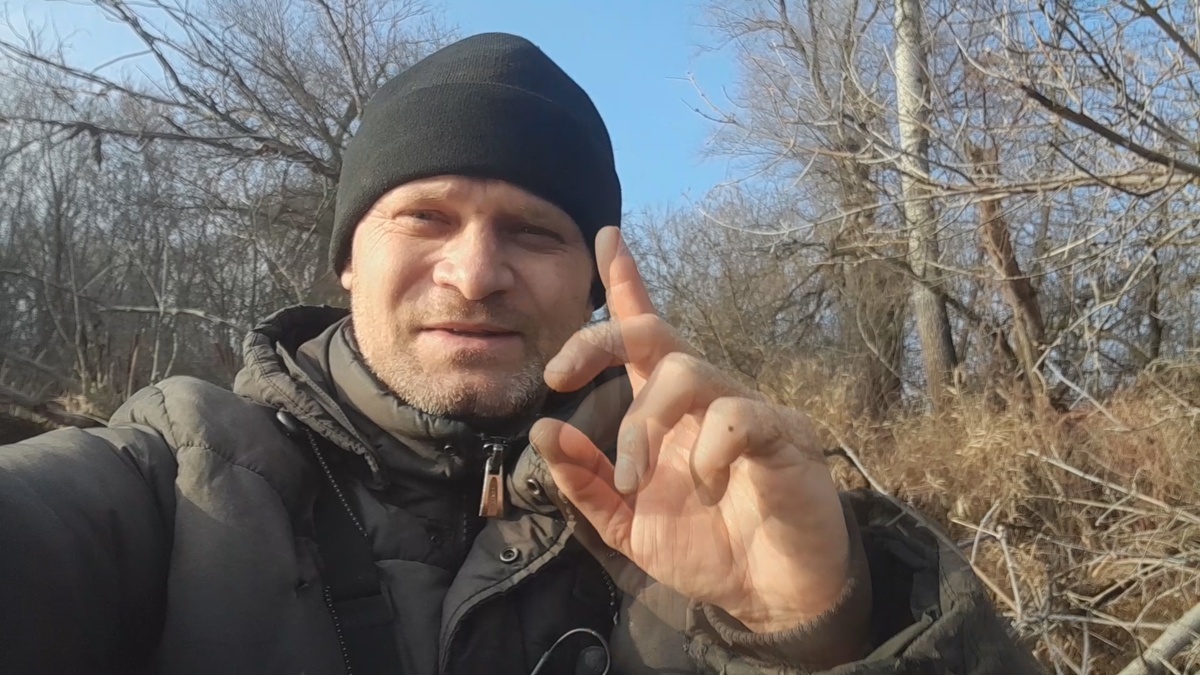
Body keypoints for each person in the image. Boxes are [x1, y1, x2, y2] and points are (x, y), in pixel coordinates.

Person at [0, 32, 1041, 675]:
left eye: (535, 232)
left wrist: (820, 630)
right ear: (348, 260)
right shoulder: (171, 481)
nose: (475, 273)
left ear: (592, 283)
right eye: (425, 216)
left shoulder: (714, 508)